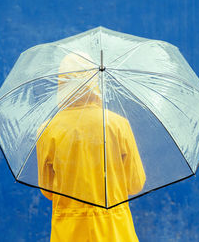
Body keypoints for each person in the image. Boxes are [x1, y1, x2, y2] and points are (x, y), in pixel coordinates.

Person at [36, 52, 146, 242]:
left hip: (69, 231)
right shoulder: (117, 124)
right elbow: (135, 184)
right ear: (96, 81)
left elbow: (47, 190)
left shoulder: (47, 129)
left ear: (62, 84)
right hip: (115, 229)